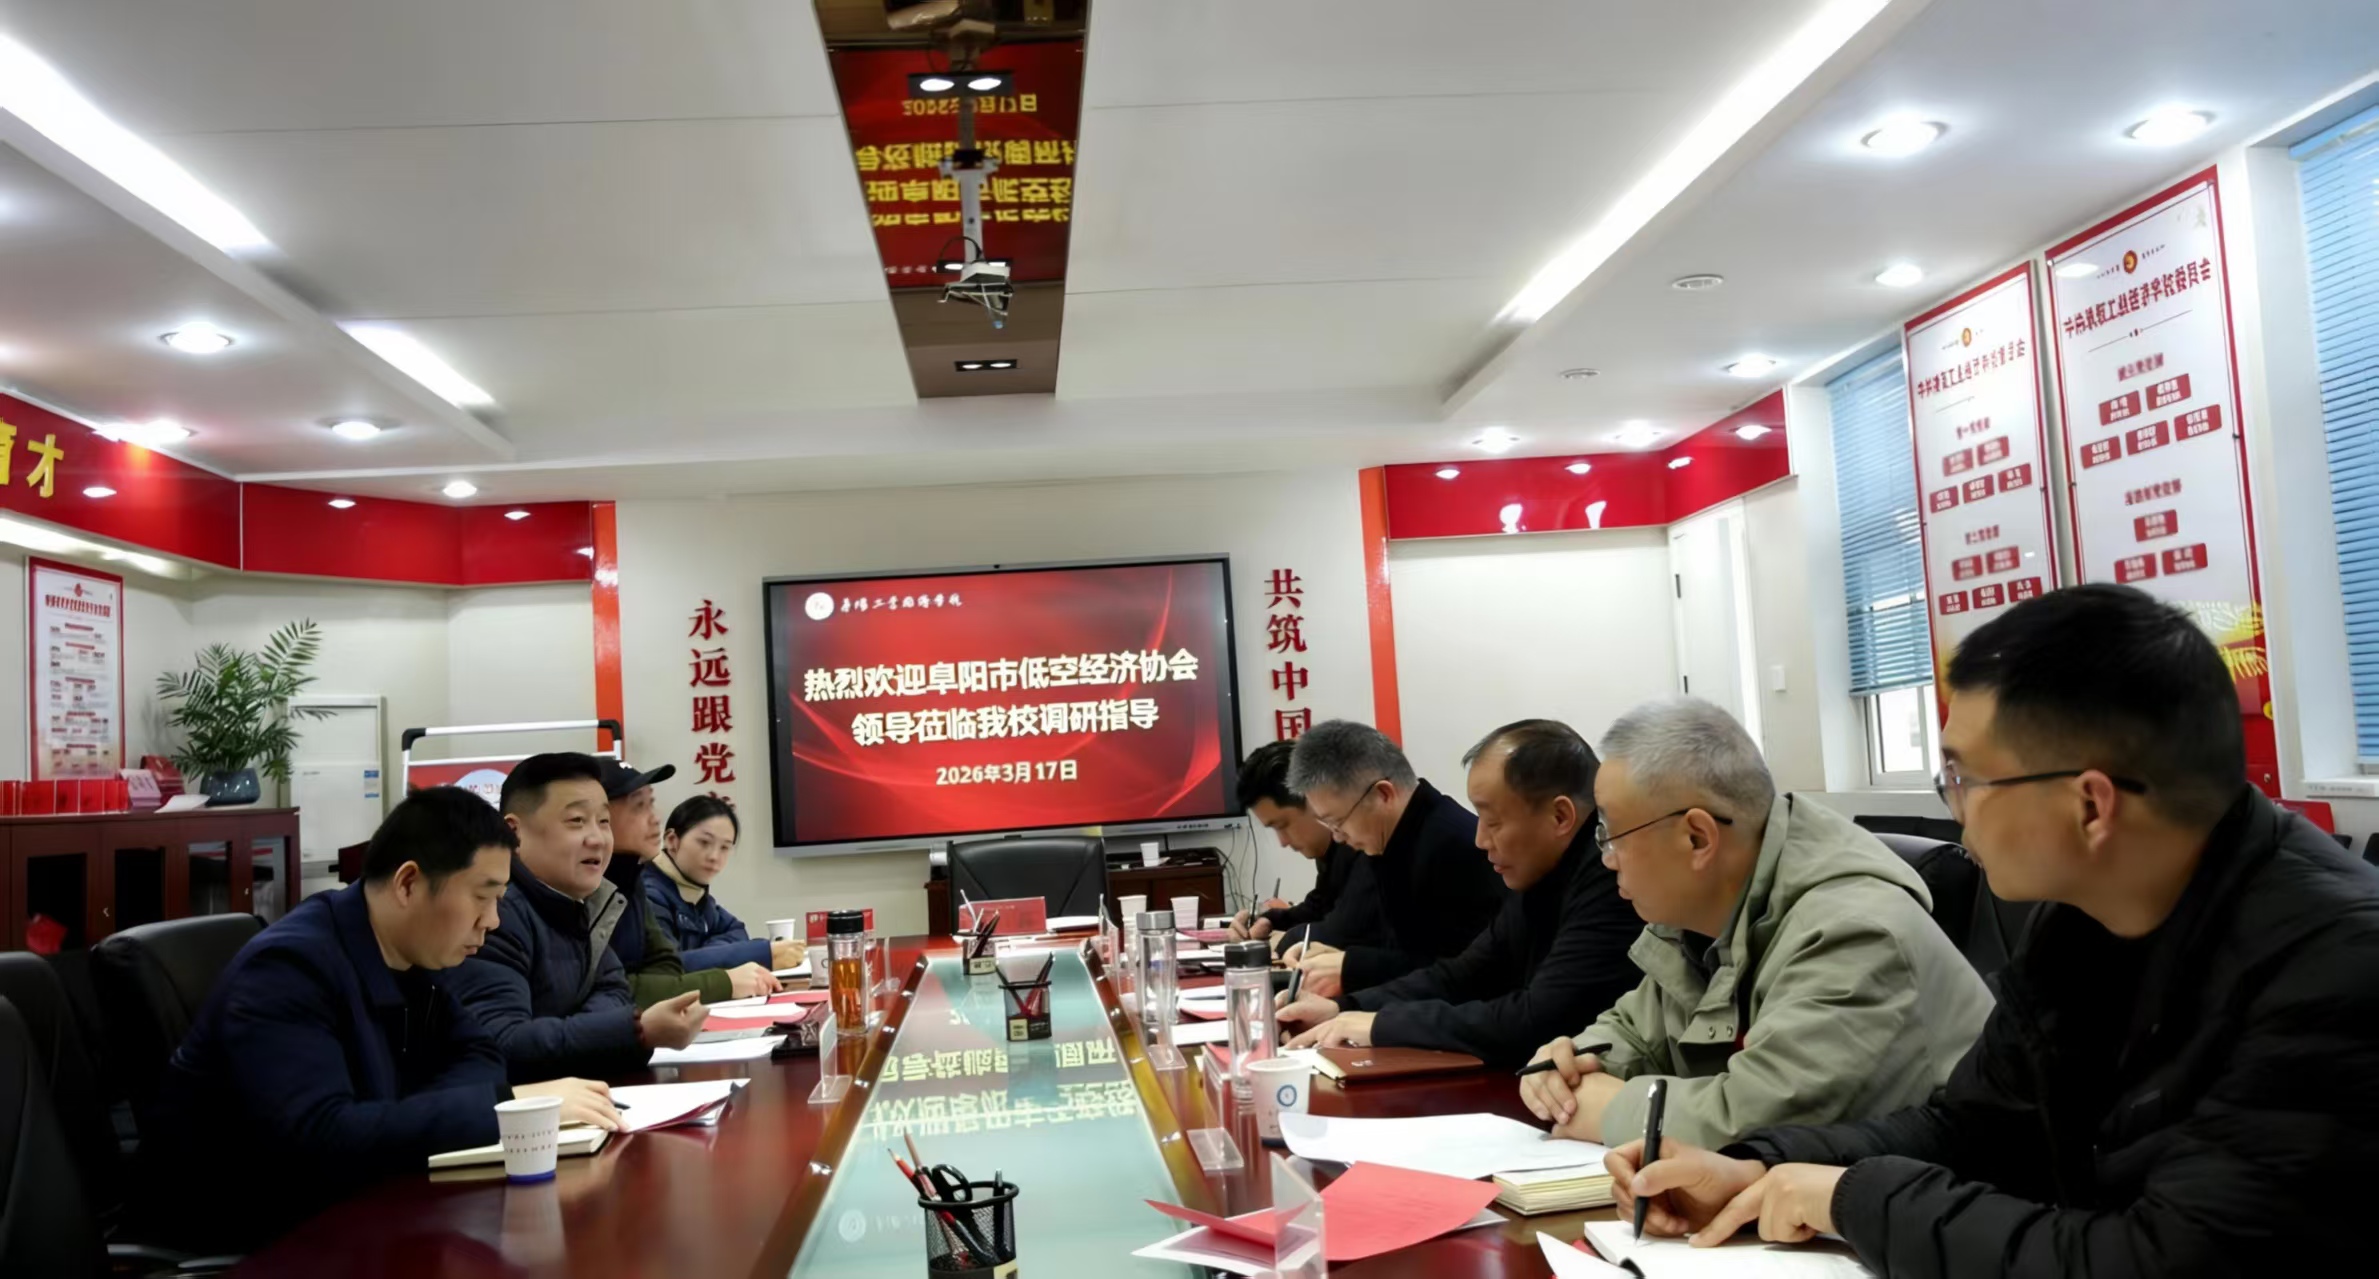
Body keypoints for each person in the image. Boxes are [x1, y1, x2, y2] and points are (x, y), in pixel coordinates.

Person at [1605, 586, 2379, 1276]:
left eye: (1964, 778)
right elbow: (1974, 1126)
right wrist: (1758, 1166)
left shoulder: (2338, 969)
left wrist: (1852, 1197)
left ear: (2089, 805)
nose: (1951, 806)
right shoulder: (2079, 918)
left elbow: (2153, 1259)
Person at [137, 788, 620, 1251]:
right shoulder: (288, 969)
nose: (493, 921)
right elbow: (322, 1138)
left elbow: (479, 1051)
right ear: (408, 883)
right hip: (262, 1236)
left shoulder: (410, 953)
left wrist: (406, 1118)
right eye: (482, 896)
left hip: (364, 1208)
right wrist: (507, 1107)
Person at [1519, 697, 1992, 1150]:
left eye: (1612, 834)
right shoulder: (1700, 919)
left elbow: (1765, 1123)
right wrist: (1568, 1067)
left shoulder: (1854, 932)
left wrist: (1613, 1110)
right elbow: (1632, 1031)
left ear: (1697, 838)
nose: (1607, 859)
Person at [1277, 719, 1643, 1066]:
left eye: (1493, 822)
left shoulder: (1608, 879)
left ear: (1560, 817)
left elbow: (1536, 1019)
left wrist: (1379, 1025)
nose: (1480, 839)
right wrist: (1345, 1009)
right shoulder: (1537, 872)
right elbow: (1463, 974)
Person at [447, 752, 708, 1081]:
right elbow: (502, 1046)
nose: (597, 838)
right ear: (514, 833)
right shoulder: (496, 915)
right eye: (576, 821)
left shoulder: (584, 903)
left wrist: (582, 1028)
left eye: (604, 821)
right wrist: (634, 1030)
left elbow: (616, 993)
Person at [1282, 720, 1505, 998]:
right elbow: (1406, 951)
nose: (1338, 837)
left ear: (1383, 794)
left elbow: (1468, 974)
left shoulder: (1453, 846)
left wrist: (1354, 967)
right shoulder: (1391, 840)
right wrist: (1341, 959)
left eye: (1338, 822)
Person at [597, 758, 770, 1006]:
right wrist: (726, 981)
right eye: (639, 806)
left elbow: (668, 966)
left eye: (725, 847)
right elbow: (617, 989)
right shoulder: (623, 888)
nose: (656, 818)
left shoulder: (631, 882)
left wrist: (699, 958)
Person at [1226, 739, 1387, 953]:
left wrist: (1284, 940)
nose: (1283, 842)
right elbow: (1319, 909)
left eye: (1282, 825)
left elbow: (1343, 932)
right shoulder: (1332, 852)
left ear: (1315, 801)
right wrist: (1267, 921)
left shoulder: (1365, 844)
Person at [645, 795, 806, 972]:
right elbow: (669, 967)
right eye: (704, 842)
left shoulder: (697, 896)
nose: (714, 856)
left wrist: (705, 955)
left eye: (724, 847)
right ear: (671, 840)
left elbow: (737, 931)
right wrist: (762, 953)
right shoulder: (648, 895)